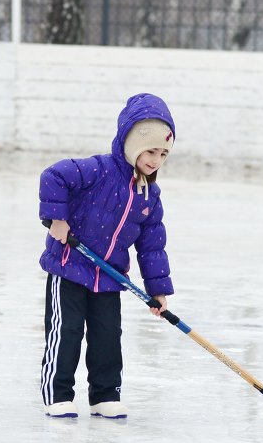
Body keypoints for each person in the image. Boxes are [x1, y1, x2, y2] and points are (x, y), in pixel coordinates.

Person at [37, 92, 177, 419]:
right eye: (150, 150)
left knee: (107, 338)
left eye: (163, 154)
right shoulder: (98, 170)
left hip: (110, 277)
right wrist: (57, 220)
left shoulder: (149, 195)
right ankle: (57, 394)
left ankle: (105, 395)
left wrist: (158, 291)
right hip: (69, 265)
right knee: (66, 331)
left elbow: (152, 245)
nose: (156, 160)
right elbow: (53, 176)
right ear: (131, 142)